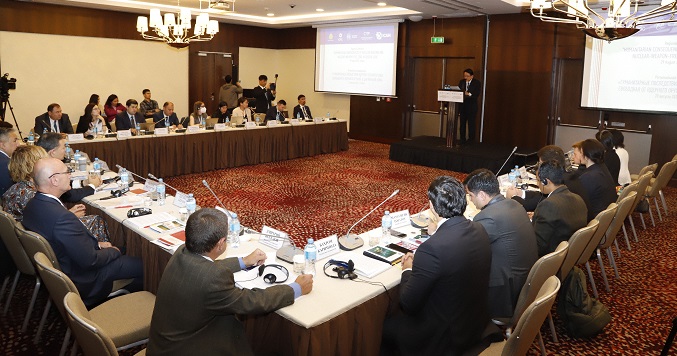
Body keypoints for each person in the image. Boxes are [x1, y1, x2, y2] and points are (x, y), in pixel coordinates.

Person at [147, 208, 313, 355]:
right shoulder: (212, 280)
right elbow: (251, 301)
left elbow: (205, 266)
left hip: (163, 345)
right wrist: (295, 288)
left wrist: (244, 261)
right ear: (220, 244)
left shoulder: (182, 251)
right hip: (187, 348)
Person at [381, 176, 499, 356]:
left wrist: (407, 270)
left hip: (442, 338)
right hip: (474, 324)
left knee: (384, 328)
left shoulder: (431, 249)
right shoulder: (479, 229)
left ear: (431, 207)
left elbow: (408, 304)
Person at [23, 157, 143, 306]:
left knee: (122, 250)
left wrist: (98, 245)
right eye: (67, 172)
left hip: (68, 264)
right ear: (54, 180)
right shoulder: (62, 218)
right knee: (144, 266)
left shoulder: (32, 206)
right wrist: (115, 250)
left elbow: (65, 243)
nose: (70, 175)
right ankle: (125, 310)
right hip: (85, 279)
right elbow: (91, 261)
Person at [463, 169, 538, 319]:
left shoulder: (487, 217)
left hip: (507, 294)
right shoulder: (514, 204)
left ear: (483, 195)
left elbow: (463, 248)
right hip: (528, 282)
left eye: (471, 195)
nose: (470, 200)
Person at [2, 145, 110, 242]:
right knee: (96, 220)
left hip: (29, 240)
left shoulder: (16, 188)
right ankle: (104, 254)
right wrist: (70, 216)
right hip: (44, 242)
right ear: (36, 165)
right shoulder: (32, 195)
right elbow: (48, 226)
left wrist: (68, 214)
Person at [506, 145, 593, 221]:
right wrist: (521, 193)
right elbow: (541, 196)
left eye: (540, 163)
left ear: (549, 165)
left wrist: (513, 197)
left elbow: (537, 203)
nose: (538, 167)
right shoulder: (566, 175)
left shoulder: (562, 183)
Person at [532, 160, 588, 256]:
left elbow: (537, 247)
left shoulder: (548, 205)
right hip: (570, 254)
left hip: (551, 257)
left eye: (538, 180)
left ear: (546, 181)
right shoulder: (578, 198)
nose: (538, 184)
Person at [36, 132, 102, 201]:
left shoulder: (40, 164)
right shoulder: (48, 169)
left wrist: (83, 182)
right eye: (63, 148)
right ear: (53, 152)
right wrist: (92, 186)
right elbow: (70, 195)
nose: (66, 150)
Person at [572, 139, 618, 219]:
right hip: (605, 215)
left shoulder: (589, 176)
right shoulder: (601, 167)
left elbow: (576, 202)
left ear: (586, 156)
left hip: (593, 218)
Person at [458, 68, 481, 144]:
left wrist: (469, 94)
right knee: (462, 124)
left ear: (472, 76)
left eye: (467, 76)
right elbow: (459, 91)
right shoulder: (462, 82)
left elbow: (477, 94)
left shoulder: (477, 83)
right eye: (464, 76)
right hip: (463, 106)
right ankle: (462, 139)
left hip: (471, 106)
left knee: (471, 124)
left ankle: (471, 140)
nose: (465, 78)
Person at [0, 127, 21, 195]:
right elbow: (10, 191)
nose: (18, 144)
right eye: (15, 141)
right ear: (2, 145)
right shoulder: (6, 163)